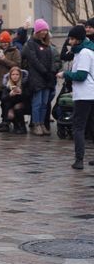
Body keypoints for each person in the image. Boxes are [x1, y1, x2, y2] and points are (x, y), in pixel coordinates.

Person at [56, 26, 94, 169]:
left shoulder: (84, 53)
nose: (69, 41)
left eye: (71, 39)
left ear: (77, 39)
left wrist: (65, 74)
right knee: (91, 126)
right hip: (90, 93)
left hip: (85, 94)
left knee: (78, 127)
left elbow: (81, 76)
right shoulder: (86, 50)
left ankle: (79, 159)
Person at [22, 19, 55, 136]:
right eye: (41, 30)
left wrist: (51, 72)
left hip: (47, 77)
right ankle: (35, 124)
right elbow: (34, 60)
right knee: (37, 102)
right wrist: (44, 71)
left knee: (44, 103)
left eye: (45, 30)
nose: (44, 33)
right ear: (37, 31)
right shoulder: (31, 43)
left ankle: (42, 123)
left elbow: (52, 59)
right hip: (36, 77)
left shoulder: (47, 44)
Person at [0, 31, 21, 132]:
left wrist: (4, 59)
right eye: (2, 42)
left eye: (6, 42)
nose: (4, 44)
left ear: (9, 42)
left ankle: (5, 122)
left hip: (8, 82)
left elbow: (17, 65)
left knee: (5, 103)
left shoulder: (15, 51)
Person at [1, 66, 29, 134]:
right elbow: (3, 99)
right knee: (10, 114)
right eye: (13, 74)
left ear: (20, 75)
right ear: (10, 76)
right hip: (11, 106)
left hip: (24, 105)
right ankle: (16, 126)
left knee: (18, 107)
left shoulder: (24, 84)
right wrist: (10, 95)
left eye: (17, 74)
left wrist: (21, 93)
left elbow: (28, 97)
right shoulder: (7, 85)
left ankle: (22, 127)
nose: (15, 76)